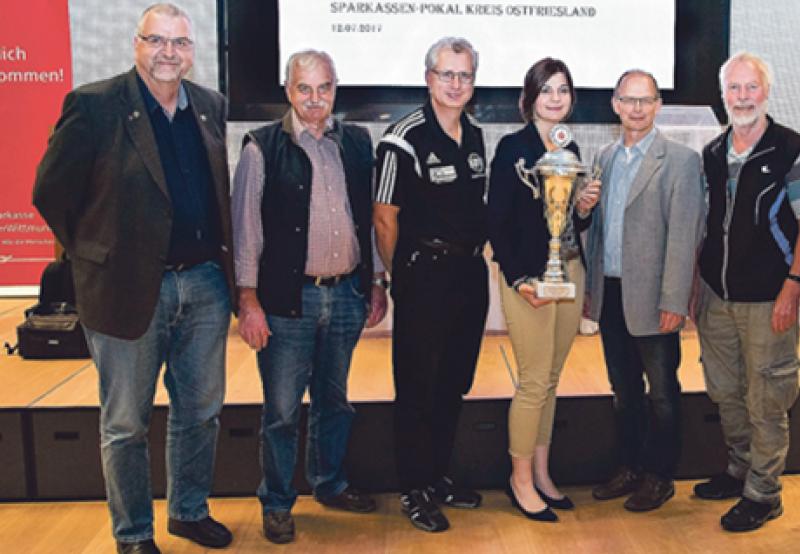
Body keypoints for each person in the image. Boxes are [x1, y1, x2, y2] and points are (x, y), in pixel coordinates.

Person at [33, 4, 234, 553]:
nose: (170, 53)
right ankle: (133, 533)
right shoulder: (95, 105)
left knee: (201, 412)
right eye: (158, 41)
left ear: (193, 52)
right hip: (125, 290)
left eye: (180, 43)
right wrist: (94, 253)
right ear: (136, 44)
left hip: (204, 287)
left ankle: (189, 512)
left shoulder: (210, 107)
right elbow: (50, 192)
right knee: (125, 423)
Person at [232, 49, 388, 544]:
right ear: (288, 90)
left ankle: (329, 483)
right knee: (280, 411)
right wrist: (248, 302)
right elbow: (245, 233)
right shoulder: (261, 147)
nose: (315, 99)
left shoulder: (358, 143)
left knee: (334, 402)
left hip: (345, 294)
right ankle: (277, 502)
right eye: (305, 89)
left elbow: (369, 219)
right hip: (285, 302)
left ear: (336, 88)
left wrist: (377, 282)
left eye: (324, 88)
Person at [691, 51, 800, 532]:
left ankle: (764, 493)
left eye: (751, 88)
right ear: (722, 94)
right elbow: (706, 226)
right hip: (715, 298)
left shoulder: (792, 149)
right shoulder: (712, 152)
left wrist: (794, 286)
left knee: (766, 398)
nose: (742, 97)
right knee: (726, 392)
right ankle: (739, 470)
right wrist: (693, 287)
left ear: (766, 92)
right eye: (734, 88)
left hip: (771, 297)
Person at [373, 36, 488, 533]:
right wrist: (401, 277)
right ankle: (414, 488)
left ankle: (438, 475)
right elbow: (383, 218)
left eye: (465, 75)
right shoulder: (403, 138)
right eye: (447, 74)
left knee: (453, 383)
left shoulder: (476, 136)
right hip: (424, 275)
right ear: (429, 79)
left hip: (469, 275)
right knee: (417, 387)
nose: (456, 84)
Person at [584, 70, 705, 512]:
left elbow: (684, 236)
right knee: (623, 389)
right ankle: (630, 466)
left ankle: (659, 475)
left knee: (662, 393)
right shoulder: (603, 158)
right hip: (611, 292)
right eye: (628, 100)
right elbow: (595, 230)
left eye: (646, 100)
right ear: (615, 104)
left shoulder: (680, 161)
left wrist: (674, 299)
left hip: (655, 297)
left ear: (658, 106)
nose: (636, 108)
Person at [487, 57, 601, 522]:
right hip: (529, 279)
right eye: (546, 90)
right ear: (529, 97)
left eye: (563, 89)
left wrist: (585, 207)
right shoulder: (511, 148)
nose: (556, 98)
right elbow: (497, 222)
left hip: (569, 273)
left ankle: (542, 471)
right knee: (533, 380)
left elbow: (568, 223)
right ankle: (518, 480)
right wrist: (519, 280)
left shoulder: (568, 146)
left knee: (552, 379)